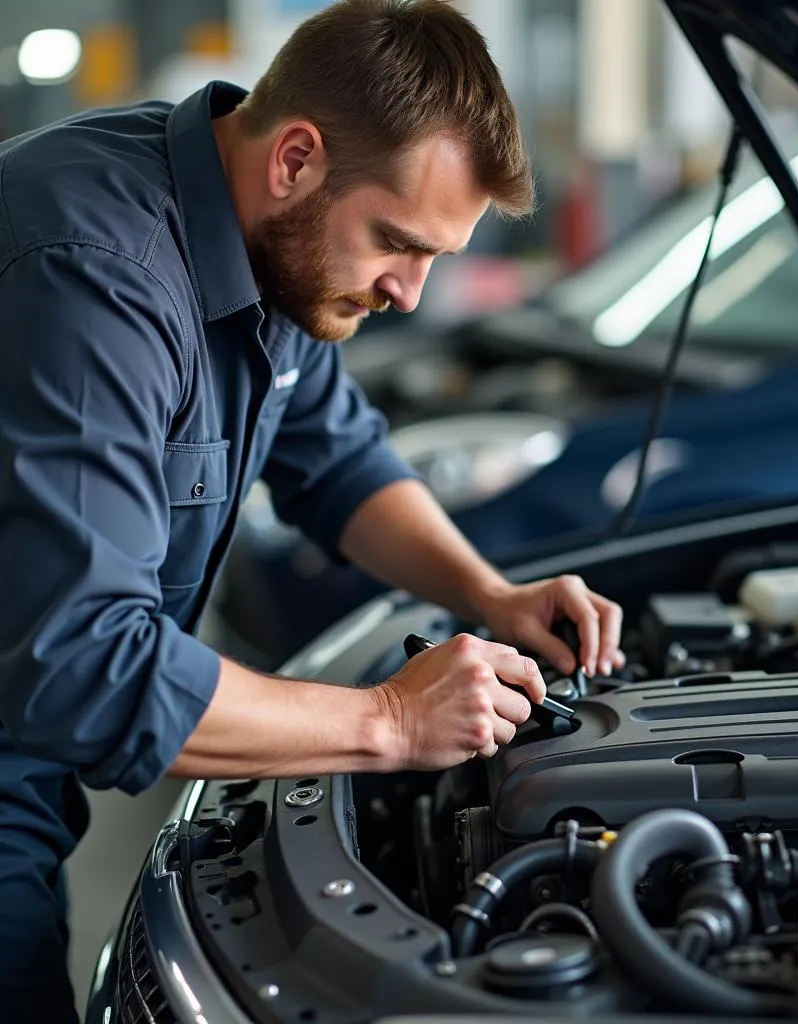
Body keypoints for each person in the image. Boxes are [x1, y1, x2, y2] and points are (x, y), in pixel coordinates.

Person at [0, 1, 625, 1019]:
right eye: (396, 242)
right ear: (295, 158)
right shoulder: (93, 275)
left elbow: (337, 458)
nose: (413, 294)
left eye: (437, 257)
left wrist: (488, 593)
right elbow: (83, 665)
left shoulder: (260, 239)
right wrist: (388, 721)